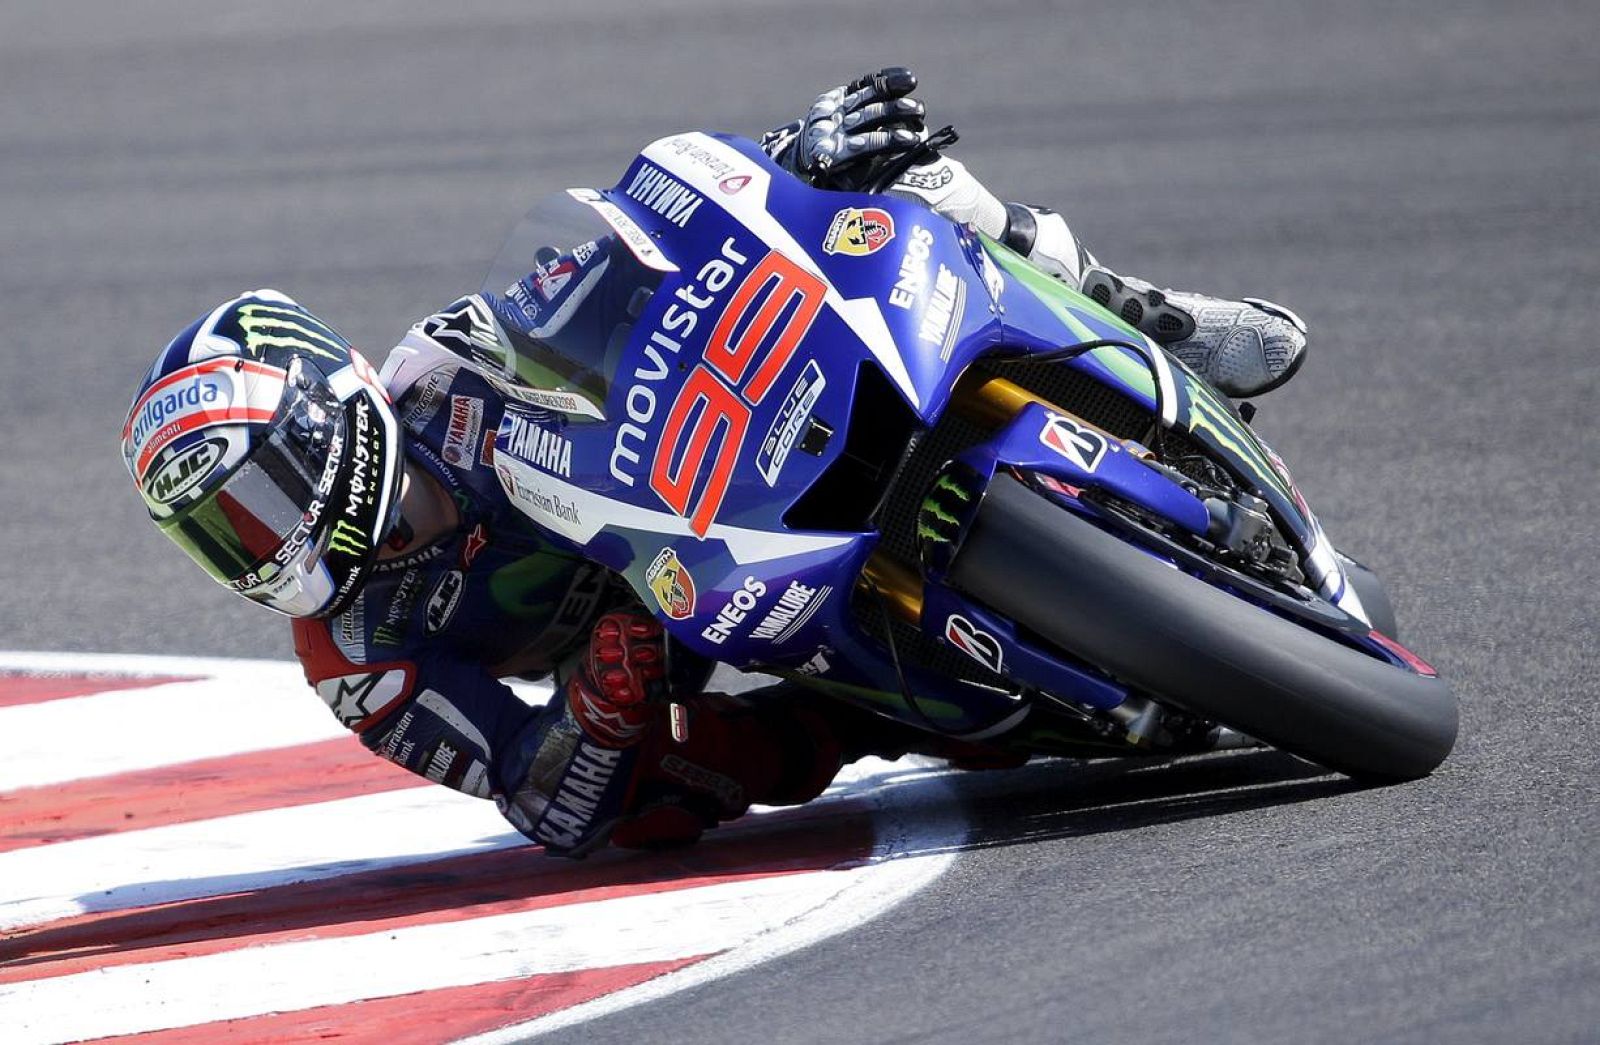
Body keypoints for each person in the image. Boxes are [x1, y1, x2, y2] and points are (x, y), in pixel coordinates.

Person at [120, 70, 1307, 857]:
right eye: (220, 534)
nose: (257, 543)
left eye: (255, 499)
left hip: (714, 475)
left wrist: (794, 156)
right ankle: (904, 718)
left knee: (902, 182)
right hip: (669, 626)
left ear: (329, 414)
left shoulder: (449, 365)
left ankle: (1136, 312)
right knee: (699, 789)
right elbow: (545, 803)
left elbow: (638, 258)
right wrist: (597, 704)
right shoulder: (354, 655)